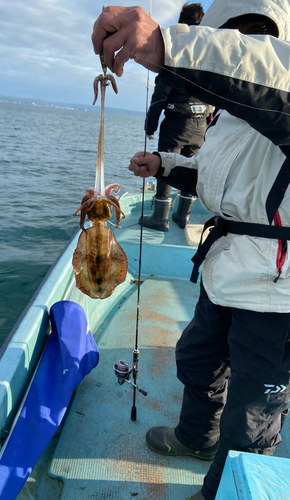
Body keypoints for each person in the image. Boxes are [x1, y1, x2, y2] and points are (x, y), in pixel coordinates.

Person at [92, 2, 290, 500]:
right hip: (227, 270)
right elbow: (218, 176)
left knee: (252, 417)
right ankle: (197, 439)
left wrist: (170, 44)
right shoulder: (228, 118)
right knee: (198, 360)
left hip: (277, 295)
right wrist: (163, 165)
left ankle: (219, 492)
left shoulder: (281, 96)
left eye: (257, 36)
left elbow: (269, 73)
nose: (244, 43)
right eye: (235, 34)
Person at [143, 2, 210, 232]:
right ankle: (183, 217)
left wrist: (149, 127)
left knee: (165, 166)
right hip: (201, 128)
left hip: (175, 126)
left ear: (182, 22)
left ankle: (160, 219)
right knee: (192, 167)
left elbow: (159, 97)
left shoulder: (177, 51)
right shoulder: (209, 55)